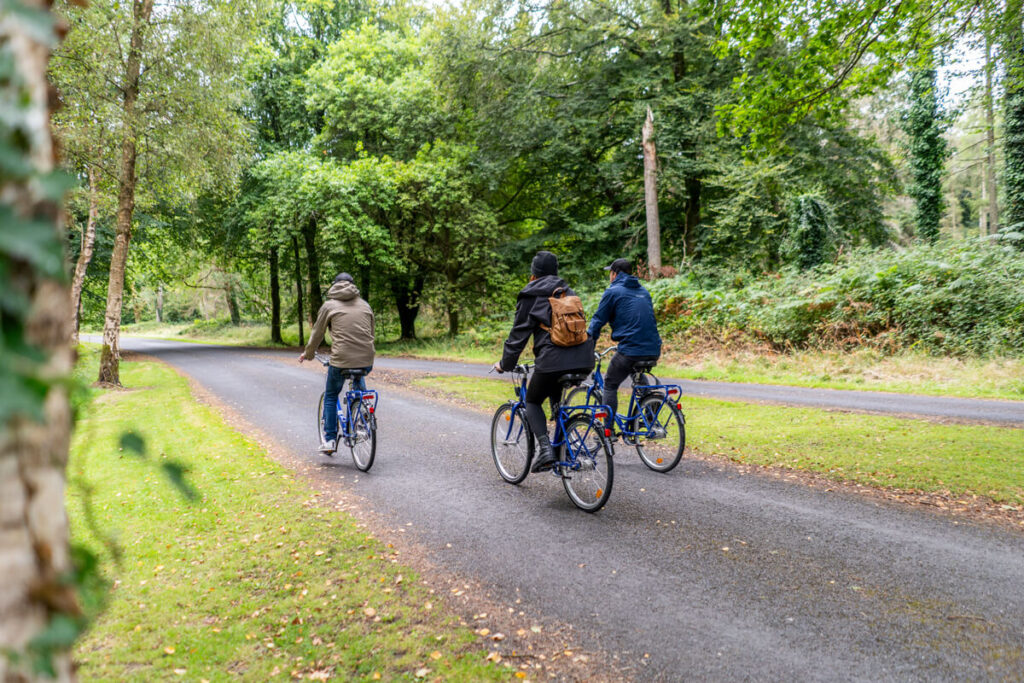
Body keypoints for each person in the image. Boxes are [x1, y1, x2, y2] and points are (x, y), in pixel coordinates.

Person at [492, 251, 595, 473]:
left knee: (532, 400)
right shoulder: (568, 291)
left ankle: (546, 449)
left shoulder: (532, 294)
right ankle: (564, 445)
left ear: (533, 274)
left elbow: (518, 335)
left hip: (553, 360)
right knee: (554, 395)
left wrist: (505, 363)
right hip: (583, 359)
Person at [299, 272, 375, 454]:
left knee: (331, 395)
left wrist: (308, 354)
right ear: (353, 285)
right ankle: (362, 416)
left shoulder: (329, 305)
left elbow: (317, 333)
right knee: (358, 379)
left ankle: (330, 440)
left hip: (341, 359)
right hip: (366, 358)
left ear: (334, 285)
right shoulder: (365, 305)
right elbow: (370, 332)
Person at [586, 258, 662, 434]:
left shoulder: (613, 291)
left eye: (610, 273)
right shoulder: (643, 291)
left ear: (615, 274)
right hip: (653, 348)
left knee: (610, 383)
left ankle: (608, 430)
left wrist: (588, 346)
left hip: (631, 348)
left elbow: (598, 320)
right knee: (634, 370)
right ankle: (649, 413)